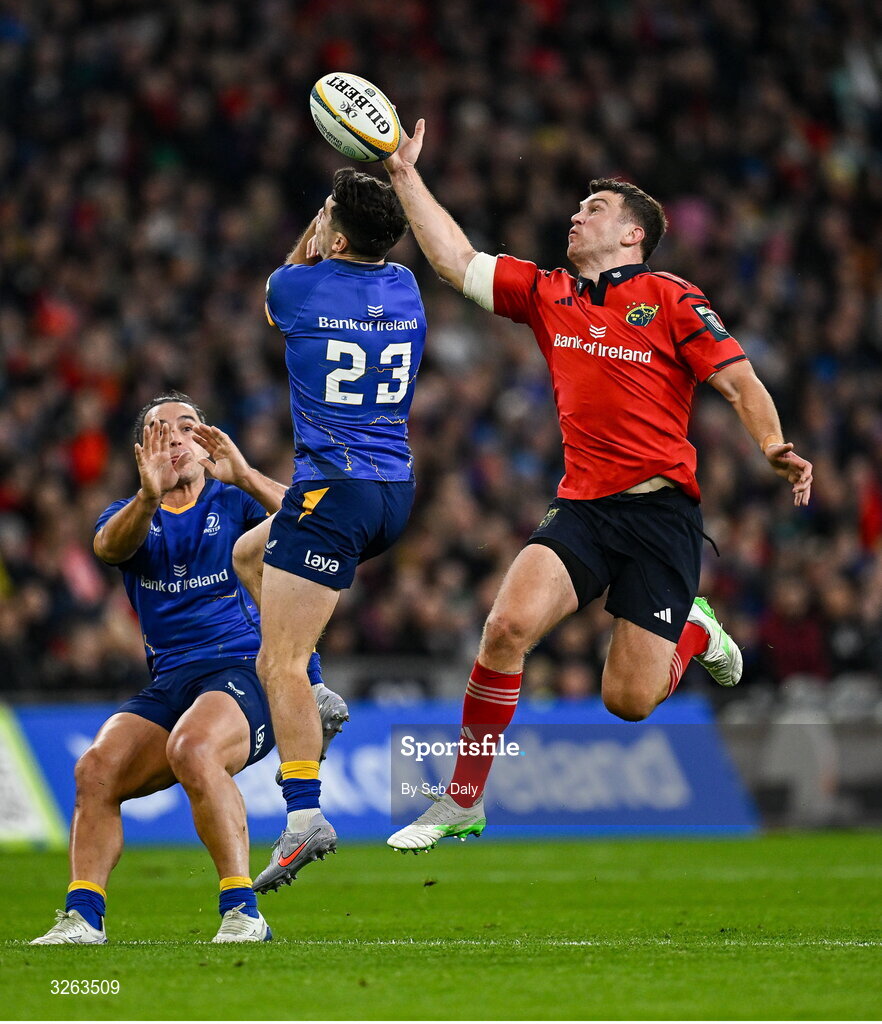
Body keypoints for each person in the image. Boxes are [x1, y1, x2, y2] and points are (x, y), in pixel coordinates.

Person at [382, 121, 813, 852]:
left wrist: (772, 444)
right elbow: (455, 260)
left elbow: (739, 382)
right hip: (583, 505)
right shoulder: (548, 293)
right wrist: (402, 174)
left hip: (661, 514)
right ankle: (462, 800)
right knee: (505, 628)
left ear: (632, 235)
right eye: (579, 206)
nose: (577, 215)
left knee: (628, 701)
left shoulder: (671, 298)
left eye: (596, 208)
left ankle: (694, 629)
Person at [30, 392, 345, 944]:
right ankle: (83, 917)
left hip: (244, 669)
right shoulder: (130, 514)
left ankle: (242, 912)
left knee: (194, 748)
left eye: (187, 426)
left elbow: (321, 522)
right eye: (159, 430)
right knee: (95, 770)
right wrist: (148, 497)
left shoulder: (236, 502)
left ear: (206, 443)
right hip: (171, 680)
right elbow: (108, 548)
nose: (174, 437)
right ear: (142, 452)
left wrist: (246, 476)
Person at [236, 168, 427, 893]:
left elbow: (281, 289)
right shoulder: (406, 289)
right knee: (248, 553)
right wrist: (338, 222)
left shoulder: (299, 288)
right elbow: (344, 263)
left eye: (326, 216)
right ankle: (315, 695)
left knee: (276, 663)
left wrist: (315, 228)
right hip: (394, 493)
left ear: (335, 238)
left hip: (334, 490)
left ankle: (304, 815)